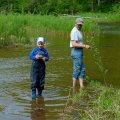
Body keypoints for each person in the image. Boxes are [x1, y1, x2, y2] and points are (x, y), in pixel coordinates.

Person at [70, 18, 90, 91]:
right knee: (77, 69)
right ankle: (73, 88)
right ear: (76, 23)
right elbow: (74, 44)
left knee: (82, 69)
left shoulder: (79, 31)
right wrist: (85, 46)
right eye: (78, 24)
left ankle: (81, 86)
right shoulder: (74, 31)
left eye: (81, 24)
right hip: (76, 51)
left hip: (79, 51)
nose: (79, 26)